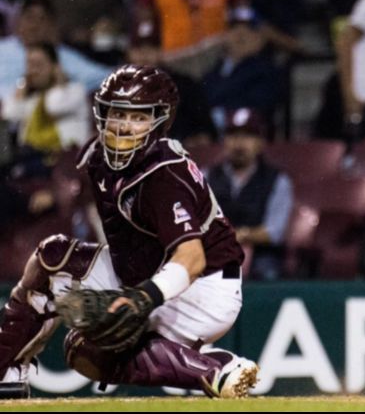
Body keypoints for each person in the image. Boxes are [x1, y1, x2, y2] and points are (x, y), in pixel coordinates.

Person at [0, 65, 259, 399]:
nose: (123, 126)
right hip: (149, 266)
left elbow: (191, 258)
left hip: (204, 286)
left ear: (159, 121)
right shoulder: (97, 157)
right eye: (116, 114)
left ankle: (213, 369)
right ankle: (6, 371)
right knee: (53, 259)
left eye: (137, 117)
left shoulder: (163, 174)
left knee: (84, 347)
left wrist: (143, 298)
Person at [207, 108, 293, 281]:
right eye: (233, 135)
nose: (239, 144)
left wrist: (241, 235)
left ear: (260, 143)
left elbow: (273, 232)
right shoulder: (206, 176)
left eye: (247, 136)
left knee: (268, 273)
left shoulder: (277, 180)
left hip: (261, 255)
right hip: (216, 252)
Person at [1, 43, 90, 155]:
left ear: (55, 67)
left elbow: (54, 107)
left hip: (64, 159)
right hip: (30, 157)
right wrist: (22, 86)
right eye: (29, 65)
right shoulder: (33, 98)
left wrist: (58, 80)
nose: (33, 71)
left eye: (38, 65)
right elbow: (10, 115)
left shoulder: (75, 90)